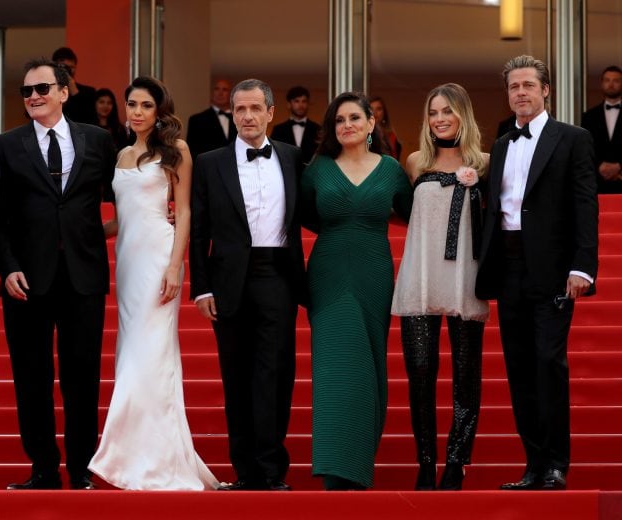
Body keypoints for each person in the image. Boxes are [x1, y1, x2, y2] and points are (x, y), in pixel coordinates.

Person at [0, 58, 115, 490]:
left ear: (64, 91)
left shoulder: (98, 140)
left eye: (43, 88)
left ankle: (82, 468)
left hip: (83, 277)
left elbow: (126, 191)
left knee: (83, 377)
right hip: (26, 280)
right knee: (31, 377)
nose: (34, 96)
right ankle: (43, 468)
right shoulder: (5, 145)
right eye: (27, 91)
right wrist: (7, 268)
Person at [88, 76, 217, 490]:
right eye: (132, 104)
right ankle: (142, 454)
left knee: (149, 354)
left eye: (146, 105)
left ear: (160, 110)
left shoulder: (176, 150)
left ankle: (132, 458)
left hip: (159, 257)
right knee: (133, 353)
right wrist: (78, 231)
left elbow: (185, 212)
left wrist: (176, 267)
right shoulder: (122, 153)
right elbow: (123, 218)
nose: (137, 111)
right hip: (127, 261)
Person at [476, 55, 598, 491]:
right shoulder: (501, 144)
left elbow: (585, 204)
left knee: (549, 362)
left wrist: (582, 265)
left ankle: (555, 464)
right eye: (514, 86)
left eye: (528, 84)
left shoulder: (573, 138)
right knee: (520, 368)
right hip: (508, 269)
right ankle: (533, 464)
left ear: (546, 90)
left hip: (551, 269)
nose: (521, 92)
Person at [189, 78, 306, 491]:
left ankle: (273, 471)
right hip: (228, 281)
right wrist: (201, 288)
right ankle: (245, 472)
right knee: (235, 377)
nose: (247, 116)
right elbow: (199, 230)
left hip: (278, 276)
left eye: (255, 108)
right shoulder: (209, 162)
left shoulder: (293, 158)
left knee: (276, 375)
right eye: (240, 109)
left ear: (271, 112)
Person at [300, 91, 412, 490]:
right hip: (329, 273)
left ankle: (358, 462)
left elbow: (416, 214)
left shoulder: (392, 171)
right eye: (338, 120)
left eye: (353, 118)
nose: (346, 125)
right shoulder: (317, 170)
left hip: (374, 274)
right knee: (335, 371)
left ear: (370, 123)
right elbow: (305, 215)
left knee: (371, 367)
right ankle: (336, 471)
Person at [391, 83, 489, 491]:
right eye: (433, 113)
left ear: (462, 115)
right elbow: (400, 211)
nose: (440, 119)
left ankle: (456, 461)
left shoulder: (484, 161)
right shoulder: (415, 161)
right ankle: (426, 463)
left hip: (466, 275)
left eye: (447, 111)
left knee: (466, 373)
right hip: (420, 275)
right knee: (420, 371)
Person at [581, 65, 622, 194]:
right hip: (597, 184)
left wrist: (619, 166)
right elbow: (584, 147)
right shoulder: (589, 116)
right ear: (602, 84)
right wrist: (599, 165)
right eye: (607, 80)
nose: (611, 84)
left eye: (616, 81)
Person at [186, 78, 237, 159]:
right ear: (212, 93)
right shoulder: (196, 120)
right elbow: (192, 152)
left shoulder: (239, 119)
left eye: (225, 89)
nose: (220, 93)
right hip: (208, 169)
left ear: (231, 95)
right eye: (217, 89)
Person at [270, 85, 322, 164]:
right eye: (296, 101)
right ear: (289, 104)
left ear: (308, 104)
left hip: (312, 173)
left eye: (304, 101)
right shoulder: (278, 130)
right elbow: (273, 155)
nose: (301, 105)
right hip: (286, 174)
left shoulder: (318, 129)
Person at [52, 46, 97, 125]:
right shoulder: (47, 90)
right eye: (64, 67)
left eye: (71, 67)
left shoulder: (89, 93)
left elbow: (89, 120)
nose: (68, 70)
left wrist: (75, 92)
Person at [369, 96, 402, 161]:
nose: (375, 112)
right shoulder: (364, 134)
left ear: (384, 113)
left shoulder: (391, 135)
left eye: (379, 109)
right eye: (371, 109)